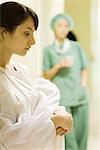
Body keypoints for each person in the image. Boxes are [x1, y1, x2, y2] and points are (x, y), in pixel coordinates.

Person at [0, 2, 73, 150]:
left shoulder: (20, 70)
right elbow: (7, 137)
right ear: (3, 32)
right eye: (27, 33)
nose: (32, 41)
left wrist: (62, 116)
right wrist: (53, 122)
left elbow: (39, 106)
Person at [42, 13, 88, 150]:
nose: (63, 29)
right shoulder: (48, 50)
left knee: (82, 134)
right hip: (63, 98)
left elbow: (84, 69)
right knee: (69, 138)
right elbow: (46, 75)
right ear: (54, 28)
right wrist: (59, 65)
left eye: (66, 26)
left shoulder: (76, 47)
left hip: (80, 96)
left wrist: (83, 87)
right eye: (60, 25)